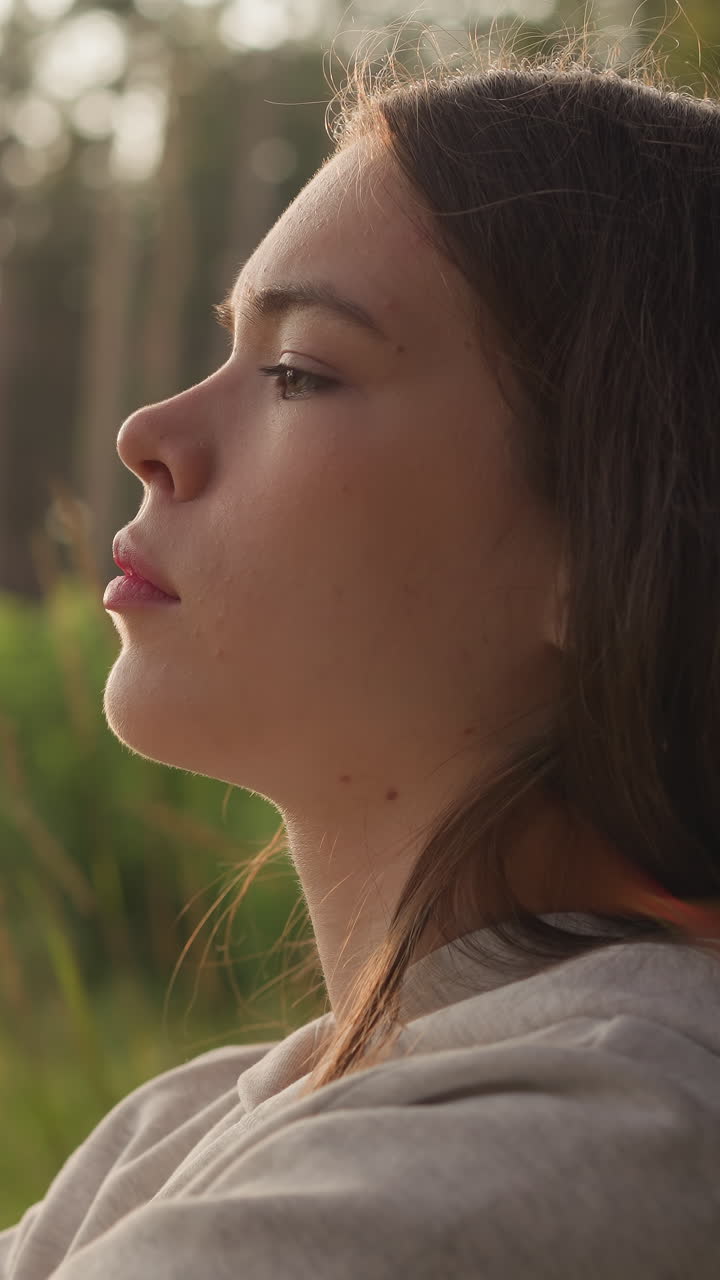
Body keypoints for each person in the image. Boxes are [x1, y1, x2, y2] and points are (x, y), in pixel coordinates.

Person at [3, 35, 720, 1279]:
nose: (147, 433)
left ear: (610, 545)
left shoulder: (580, 1140)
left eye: (298, 371)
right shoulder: (187, 1125)